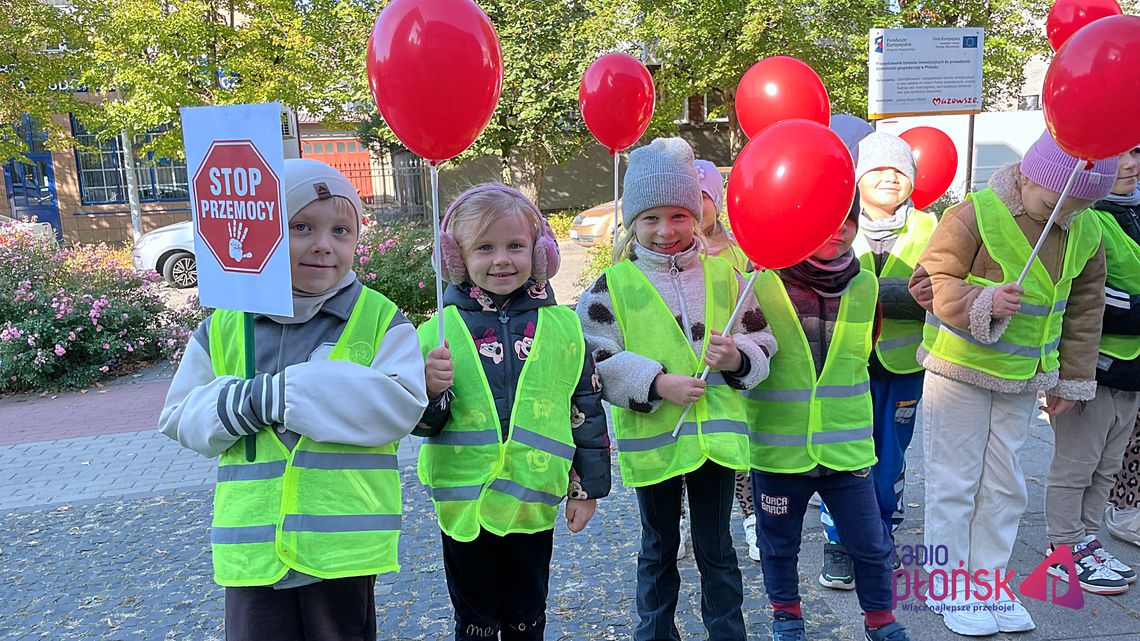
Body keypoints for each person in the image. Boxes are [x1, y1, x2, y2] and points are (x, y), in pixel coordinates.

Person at [158, 158, 428, 641]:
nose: (324, 245)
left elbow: (401, 406)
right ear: (266, 234)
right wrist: (247, 402)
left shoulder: (379, 317)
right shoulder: (226, 323)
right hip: (254, 549)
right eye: (300, 226)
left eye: (342, 231)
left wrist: (287, 393)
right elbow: (179, 417)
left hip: (340, 548)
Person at [910, 131, 1114, 635]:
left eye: (1078, 206)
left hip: (1022, 378)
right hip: (959, 369)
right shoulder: (976, 212)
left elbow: (1085, 313)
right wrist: (982, 302)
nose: (1062, 215)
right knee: (954, 481)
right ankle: (946, 582)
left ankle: (988, 580)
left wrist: (1071, 380)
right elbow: (926, 281)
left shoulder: (1086, 230)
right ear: (1026, 176)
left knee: (1005, 484)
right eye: (1053, 202)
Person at [578, 137, 776, 641]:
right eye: (651, 219)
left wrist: (737, 357)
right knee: (658, 546)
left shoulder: (726, 276)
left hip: (714, 442)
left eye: (679, 216)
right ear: (633, 223)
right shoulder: (612, 284)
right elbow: (595, 353)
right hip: (657, 441)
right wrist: (656, 381)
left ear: (697, 216)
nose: (666, 230)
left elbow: (762, 337)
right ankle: (655, 633)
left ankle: (727, 633)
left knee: (717, 548)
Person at [414, 184, 611, 641]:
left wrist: (587, 489)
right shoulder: (438, 331)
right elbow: (422, 423)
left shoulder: (564, 327)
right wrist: (428, 391)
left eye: (515, 246)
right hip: (467, 506)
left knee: (527, 617)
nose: (502, 259)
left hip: (532, 501)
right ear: (456, 257)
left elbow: (586, 409)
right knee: (476, 621)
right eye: (485, 247)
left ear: (539, 253)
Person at [748, 196, 913, 641]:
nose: (839, 230)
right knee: (777, 545)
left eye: (849, 220)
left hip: (847, 447)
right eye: (826, 219)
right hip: (779, 448)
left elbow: (865, 352)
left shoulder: (867, 286)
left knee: (872, 543)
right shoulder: (759, 283)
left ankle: (881, 620)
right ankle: (787, 617)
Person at [818, 130, 936, 591]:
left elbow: (943, 286)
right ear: (856, 177)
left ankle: (880, 537)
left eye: (900, 170)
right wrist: (901, 295)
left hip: (904, 367)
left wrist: (894, 298)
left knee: (890, 460)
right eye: (878, 169)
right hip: (846, 365)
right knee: (844, 455)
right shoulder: (835, 225)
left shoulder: (930, 227)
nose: (890, 177)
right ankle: (838, 541)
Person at [1045, 146, 1140, 594]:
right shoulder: (1086, 220)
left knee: (1107, 466)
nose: (1129, 165)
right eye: (1117, 156)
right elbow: (1100, 304)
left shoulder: (1133, 213)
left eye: (1136, 153)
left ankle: (1086, 541)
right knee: (1076, 465)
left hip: (1132, 373)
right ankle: (1062, 547)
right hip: (1093, 368)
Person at [677, 158, 757, 563]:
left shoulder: (739, 252)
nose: (698, 207)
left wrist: (739, 355)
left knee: (733, 456)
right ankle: (681, 524)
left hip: (725, 372)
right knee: (683, 458)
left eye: (704, 198)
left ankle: (748, 515)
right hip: (680, 374)